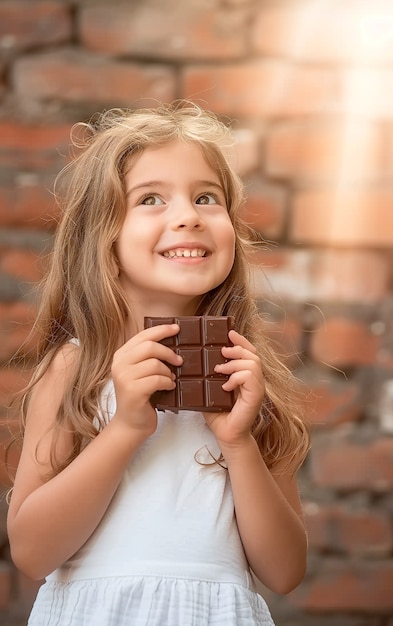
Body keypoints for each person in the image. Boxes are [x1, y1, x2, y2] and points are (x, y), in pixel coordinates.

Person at [7, 101, 310, 626]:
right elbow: (33, 553)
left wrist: (238, 442)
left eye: (206, 198)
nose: (189, 215)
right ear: (104, 237)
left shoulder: (245, 382)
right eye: (150, 198)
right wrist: (124, 428)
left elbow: (284, 571)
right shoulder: (74, 370)